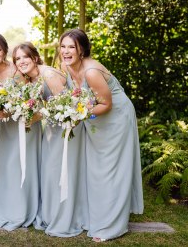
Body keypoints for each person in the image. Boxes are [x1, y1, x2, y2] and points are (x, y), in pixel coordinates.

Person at [59, 28, 144, 242]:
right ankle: (94, 216)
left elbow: (106, 104)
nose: (66, 51)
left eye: (72, 47)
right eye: (63, 46)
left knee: (111, 170)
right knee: (95, 169)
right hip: (94, 120)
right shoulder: (65, 67)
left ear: (82, 51)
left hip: (116, 118)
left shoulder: (91, 72)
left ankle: (110, 226)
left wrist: (77, 115)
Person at [31, 43, 89, 237]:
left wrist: (39, 114)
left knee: (60, 170)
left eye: (25, 57)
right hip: (52, 130)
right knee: (50, 172)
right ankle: (51, 212)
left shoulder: (47, 74)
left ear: (34, 58)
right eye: (17, 59)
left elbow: (64, 104)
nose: (21, 62)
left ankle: (64, 216)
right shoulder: (30, 77)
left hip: (65, 129)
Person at [0, 42, 42, 231]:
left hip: (24, 125)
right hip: (6, 127)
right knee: (8, 167)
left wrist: (10, 111)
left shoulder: (17, 70)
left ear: (4, 51)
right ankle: (8, 207)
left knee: (23, 166)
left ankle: (24, 209)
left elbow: (31, 100)